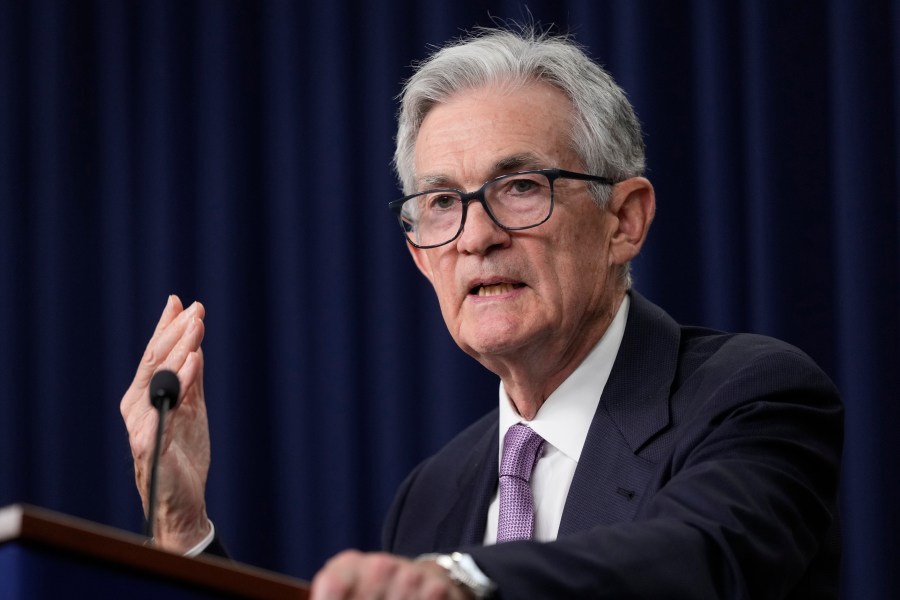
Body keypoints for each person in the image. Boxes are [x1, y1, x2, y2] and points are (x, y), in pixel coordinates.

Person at [120, 27, 843, 599]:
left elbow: (700, 559)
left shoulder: (751, 396)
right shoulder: (433, 495)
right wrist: (184, 534)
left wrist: (470, 581)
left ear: (624, 220)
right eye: (441, 203)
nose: (475, 235)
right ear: (420, 257)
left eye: (520, 186)